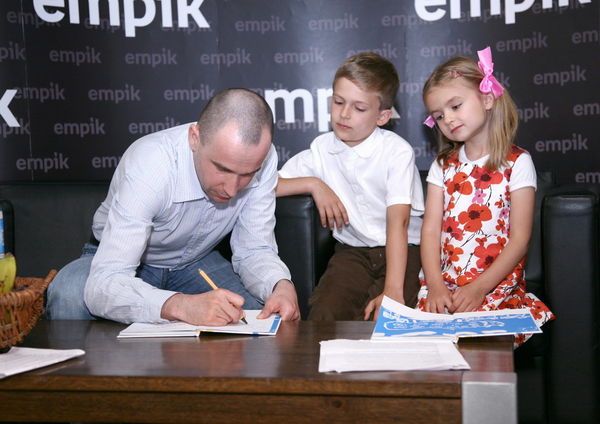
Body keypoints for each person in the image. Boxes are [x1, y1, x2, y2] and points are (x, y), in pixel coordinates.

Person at [46, 88, 300, 325]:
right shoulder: (151, 163)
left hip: (195, 262)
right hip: (125, 261)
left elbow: (254, 248)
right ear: (194, 138)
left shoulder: (264, 158)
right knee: (68, 294)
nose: (232, 189)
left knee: (264, 315)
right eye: (222, 169)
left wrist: (280, 284)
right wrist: (179, 305)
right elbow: (107, 280)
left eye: (247, 174)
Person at [419, 46, 554, 345]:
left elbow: (520, 239)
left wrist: (479, 288)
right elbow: (429, 231)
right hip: (444, 286)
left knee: (481, 351)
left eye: (456, 106)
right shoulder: (442, 166)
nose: (448, 119)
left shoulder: (517, 162)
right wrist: (435, 286)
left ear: (487, 98)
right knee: (432, 352)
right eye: (439, 115)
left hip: (494, 287)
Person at [277, 52, 424, 321]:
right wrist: (314, 184)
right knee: (324, 314)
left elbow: (399, 223)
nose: (344, 114)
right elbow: (268, 185)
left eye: (359, 108)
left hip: (405, 249)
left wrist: (393, 290)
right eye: (338, 102)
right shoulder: (321, 149)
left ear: (382, 116)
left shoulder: (397, 152)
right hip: (352, 252)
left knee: (385, 317)